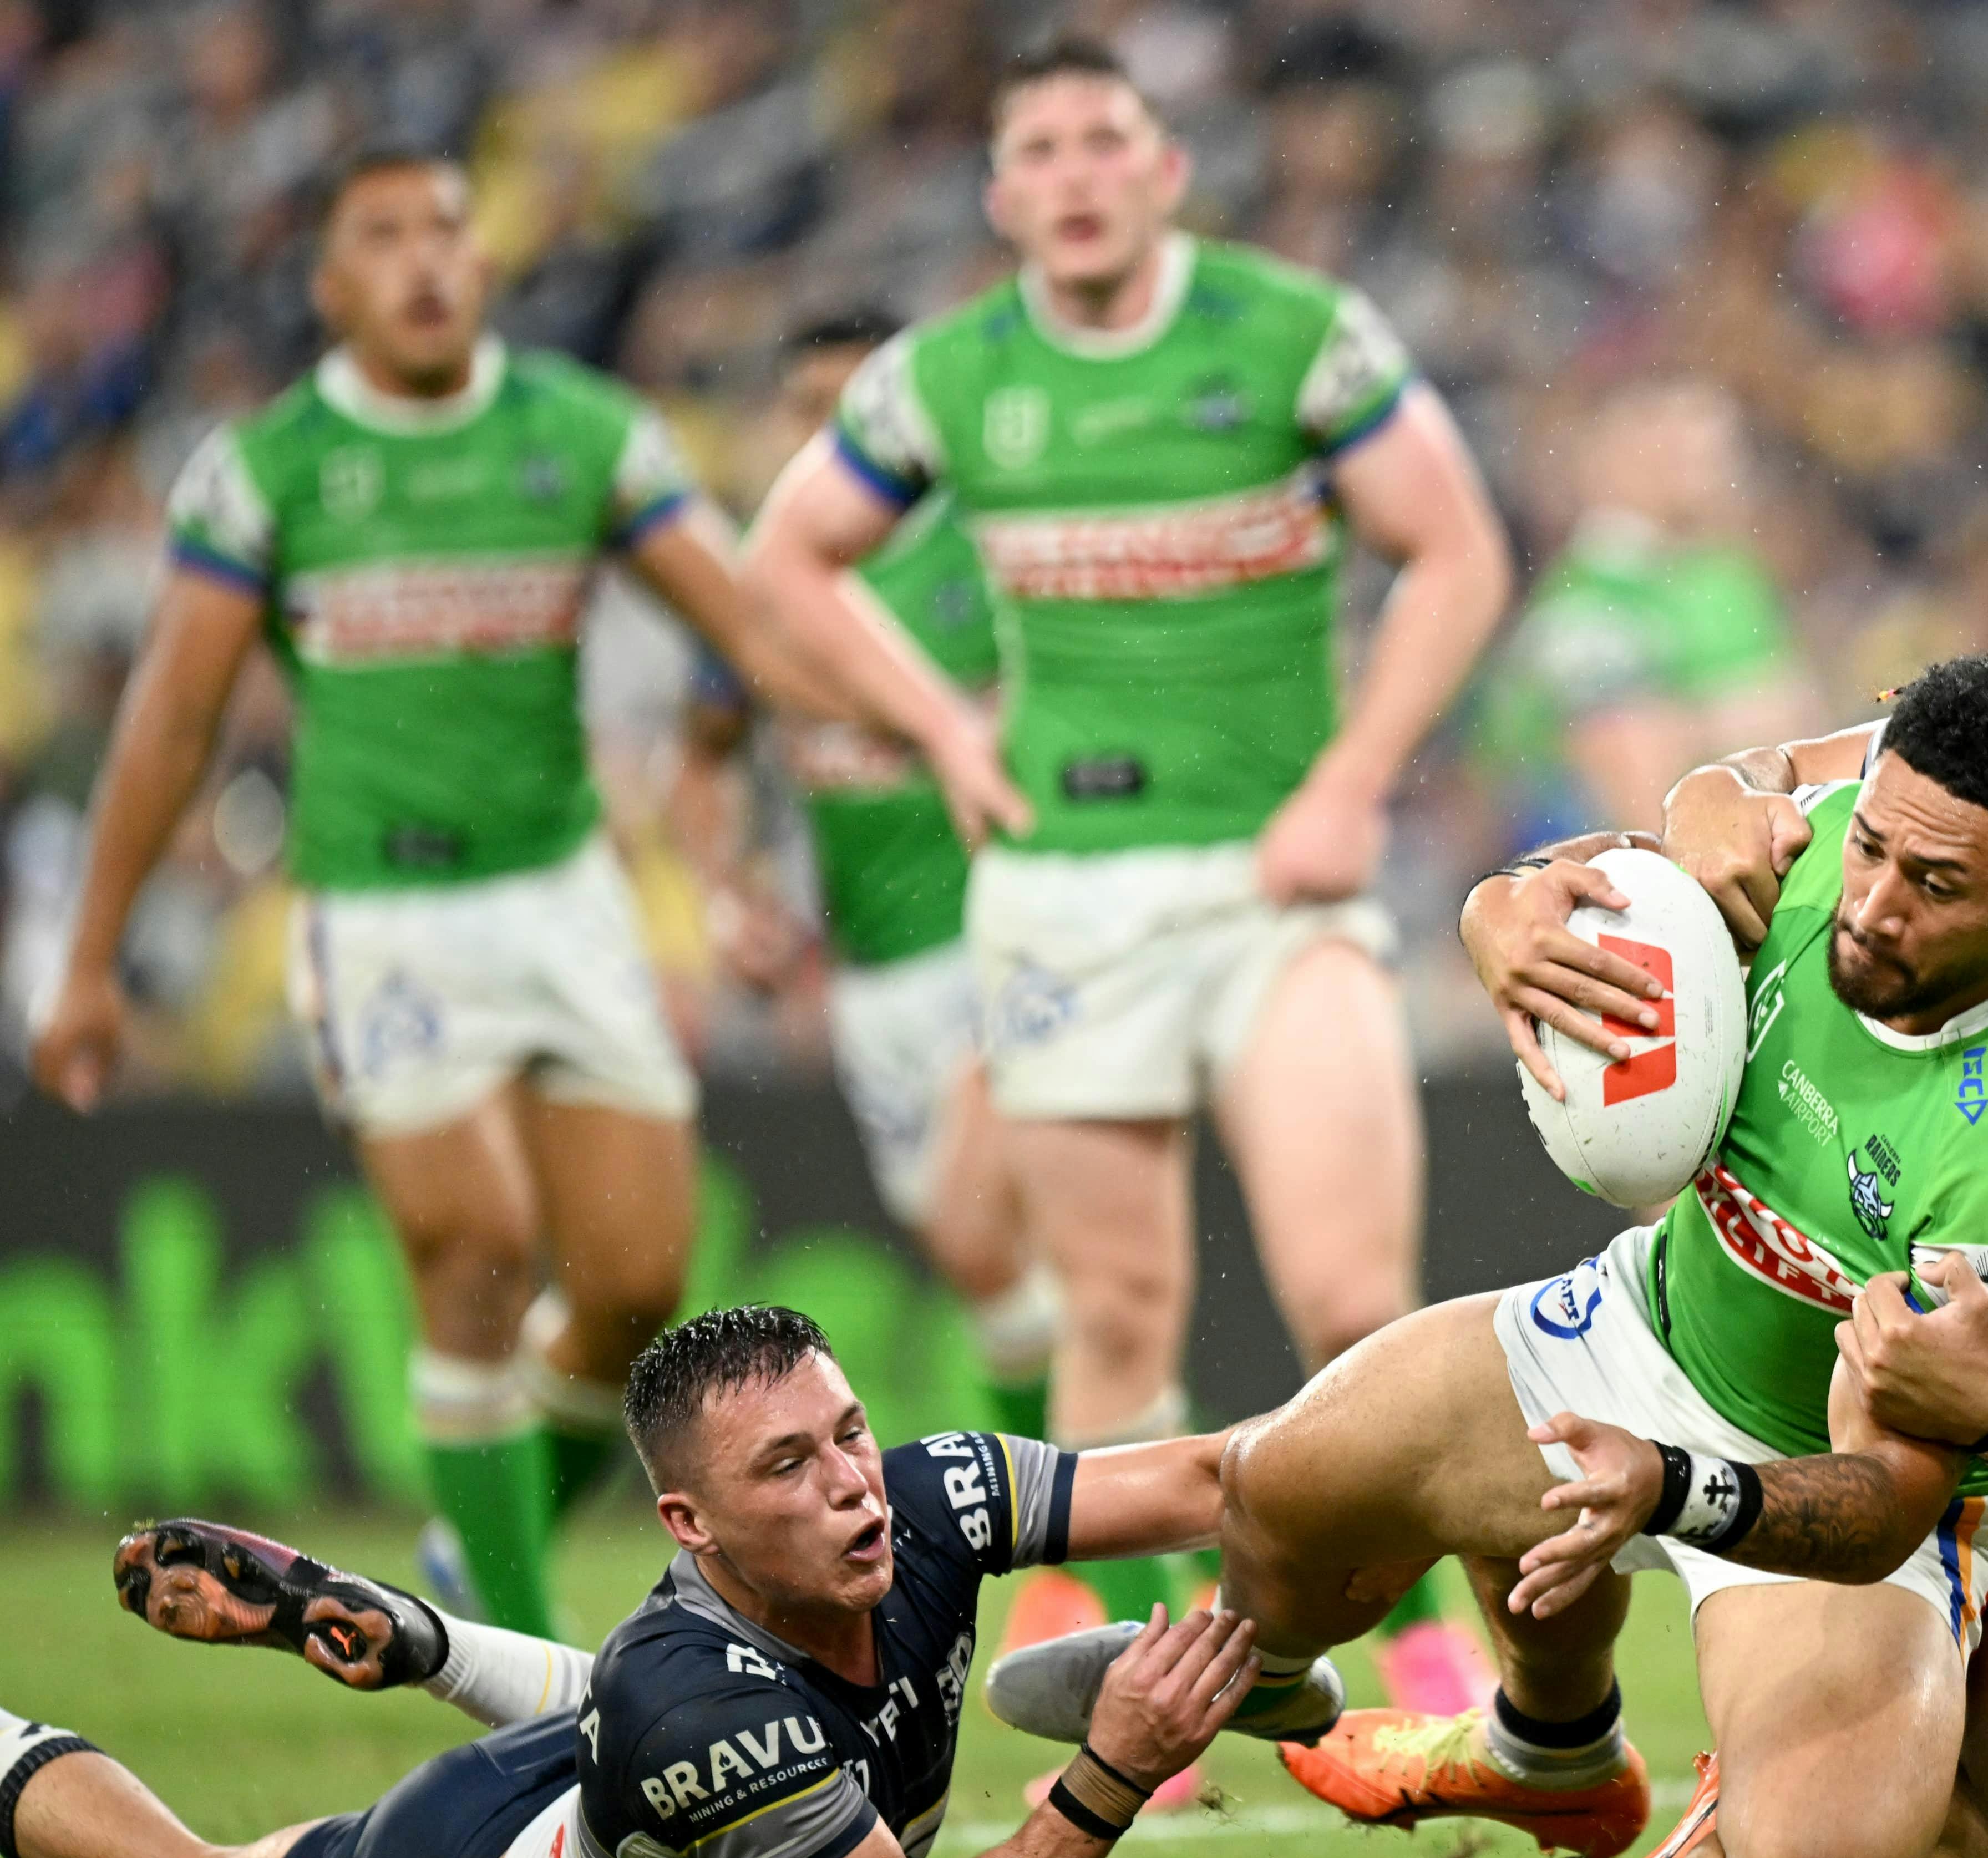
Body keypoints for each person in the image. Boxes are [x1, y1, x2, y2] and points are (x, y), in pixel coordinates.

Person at [24, 152, 1024, 1643]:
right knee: (476, 1251)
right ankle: (506, 1654)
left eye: (445, 229)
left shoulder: (581, 435)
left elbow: (750, 621)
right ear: (331, 284)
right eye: (384, 237)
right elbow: (172, 721)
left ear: (479, 261)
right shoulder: (270, 468)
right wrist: (91, 958)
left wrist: (926, 723)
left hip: (564, 894)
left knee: (637, 1284)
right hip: (384, 912)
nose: (426, 260)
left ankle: (471, 1529)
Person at [1300, 537, 1988, 1858]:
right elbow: (1760, 787)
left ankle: (1763, 1792)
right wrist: (1603, 854)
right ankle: (1565, 1739)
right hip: (1811, 1284)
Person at [1131, 652, 1988, 1858]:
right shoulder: (1812, 844)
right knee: (1275, 1491)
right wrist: (1501, 909)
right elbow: (1583, 881)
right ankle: (1542, 1742)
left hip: (1833, 1490)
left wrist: (1670, 1485)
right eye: (1877, 845)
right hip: (1638, 1326)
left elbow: (1888, 1503)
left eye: (1935, 884)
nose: (1874, 903)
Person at [742, 34, 1512, 1712]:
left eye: (1109, 139)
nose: (1077, 173)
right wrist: (947, 730)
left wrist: (1351, 780)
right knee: (1114, 1312)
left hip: (1272, 888)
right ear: (1001, 191)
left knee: (1351, 1296)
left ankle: (1422, 1643)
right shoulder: (950, 375)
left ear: (1165, 170)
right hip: (1062, 895)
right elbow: (785, 557)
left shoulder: (1293, 333)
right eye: (1042, 148)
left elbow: (1457, 547)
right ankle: (1153, 1664)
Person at [4, 1304, 1295, 1858]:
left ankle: (416, 1627)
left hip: (636, 1771)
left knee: (677, 1719)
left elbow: (1214, 1474)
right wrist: (1110, 1771)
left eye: (850, 1431)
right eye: (787, 1464)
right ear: (690, 1519)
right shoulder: (692, 1701)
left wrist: (1423, 1459)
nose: (854, 1485)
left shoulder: (930, 1496)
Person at [672, 311, 1066, 1456]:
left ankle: (1108, 1549)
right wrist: (725, 888)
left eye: (860, 407)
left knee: (980, 1231)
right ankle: (1144, 1514)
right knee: (997, 1266)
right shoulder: (759, 588)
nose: (833, 434)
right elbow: (700, 757)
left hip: (998, 932)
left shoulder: (981, 554)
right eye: (810, 409)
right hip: (868, 968)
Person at [1475, 379, 1814, 842]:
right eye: (1683, 446)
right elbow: (1645, 805)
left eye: (1723, 447)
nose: (1718, 466)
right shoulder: (1582, 609)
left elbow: (1811, 736)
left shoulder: (1732, 576)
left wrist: (1701, 724)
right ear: (1615, 455)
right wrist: (1752, 719)